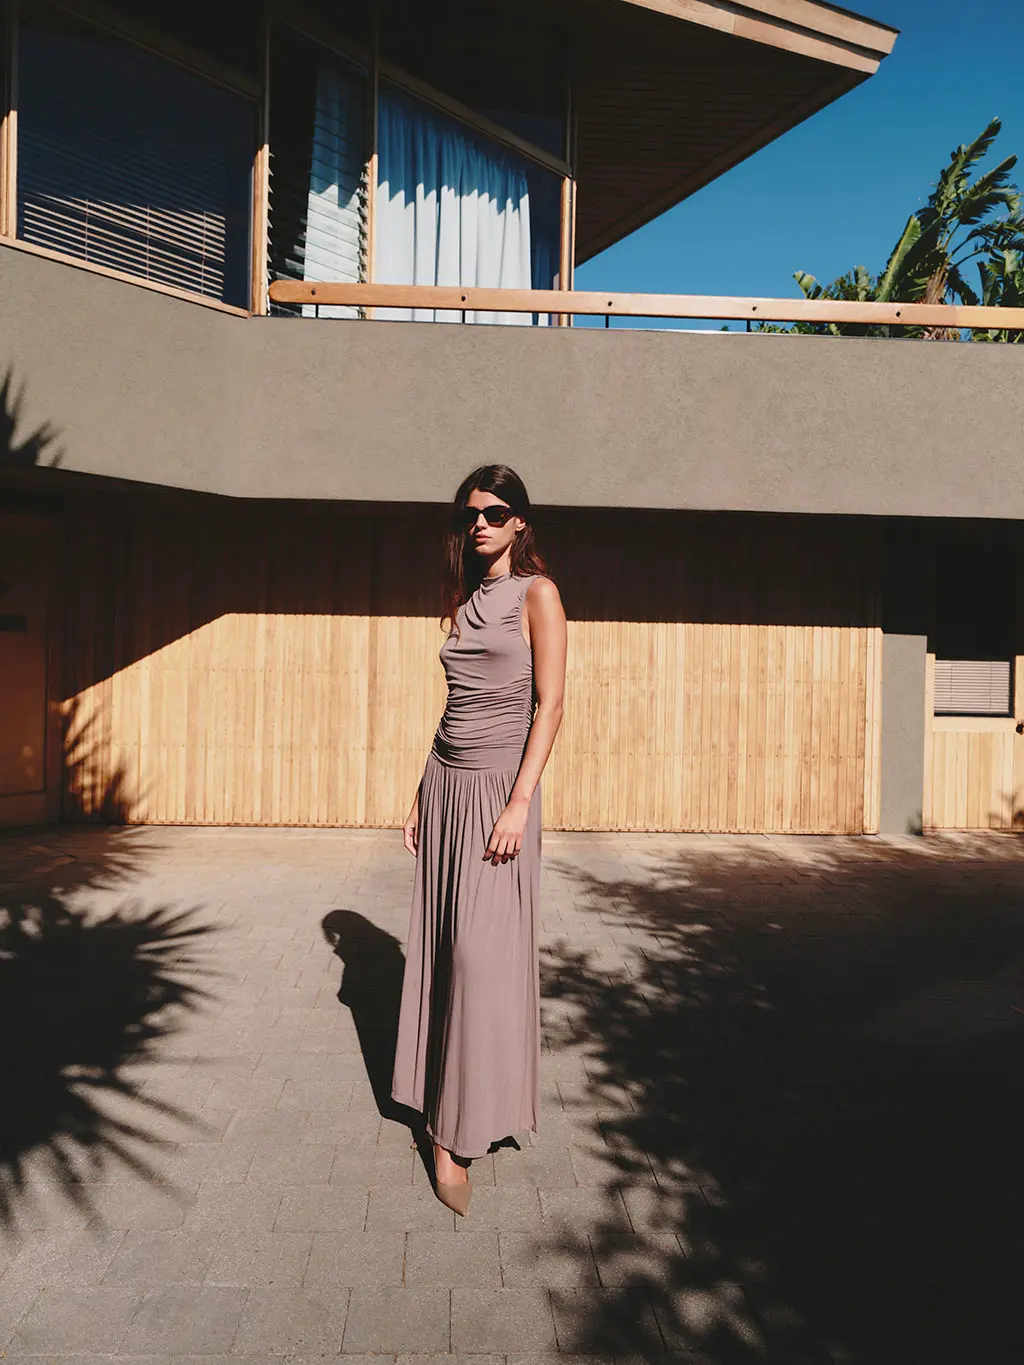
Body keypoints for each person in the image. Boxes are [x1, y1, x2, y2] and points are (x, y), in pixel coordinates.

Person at [391, 464, 567, 1216]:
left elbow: (551, 704)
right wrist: (420, 791)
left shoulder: (539, 594)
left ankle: (463, 1124)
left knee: (478, 956)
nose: (482, 524)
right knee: (445, 952)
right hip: (448, 786)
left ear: (521, 521)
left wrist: (519, 800)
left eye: (497, 512)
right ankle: (447, 1121)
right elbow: (453, 704)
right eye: (472, 515)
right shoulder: (465, 600)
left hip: (500, 796)